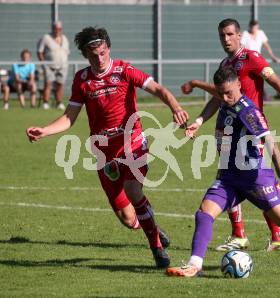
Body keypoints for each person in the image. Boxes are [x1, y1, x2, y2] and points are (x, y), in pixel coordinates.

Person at [26, 26, 189, 268]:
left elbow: (159, 89)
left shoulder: (125, 70)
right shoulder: (82, 80)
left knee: (134, 190)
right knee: (126, 217)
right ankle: (152, 226)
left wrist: (175, 107)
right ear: (85, 56)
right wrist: (45, 130)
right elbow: (69, 117)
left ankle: (156, 248)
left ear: (108, 48)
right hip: (104, 155)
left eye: (102, 53)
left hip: (133, 144)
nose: (99, 59)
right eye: (93, 56)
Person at [166, 66, 280, 277]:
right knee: (204, 213)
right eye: (221, 93)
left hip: (255, 177)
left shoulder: (248, 111)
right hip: (229, 176)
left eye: (228, 93)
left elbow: (268, 138)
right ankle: (194, 265)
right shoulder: (226, 96)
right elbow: (215, 96)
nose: (224, 98)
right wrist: (198, 120)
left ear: (239, 85)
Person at [181, 18, 280, 252]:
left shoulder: (252, 58)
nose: (226, 39)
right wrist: (199, 120)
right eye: (222, 35)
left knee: (253, 180)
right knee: (230, 178)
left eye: (230, 34)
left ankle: (275, 233)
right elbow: (219, 98)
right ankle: (242, 235)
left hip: (251, 131)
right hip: (229, 130)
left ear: (240, 35)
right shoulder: (225, 65)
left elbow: (277, 82)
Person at [37, 21, 70, 110]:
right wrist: (43, 64)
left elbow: (67, 52)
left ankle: (59, 103)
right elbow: (40, 52)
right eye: (56, 28)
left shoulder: (64, 38)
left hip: (62, 66)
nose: (58, 30)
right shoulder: (46, 37)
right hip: (49, 66)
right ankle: (46, 103)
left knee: (60, 84)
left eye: (59, 29)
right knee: (48, 84)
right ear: (53, 28)